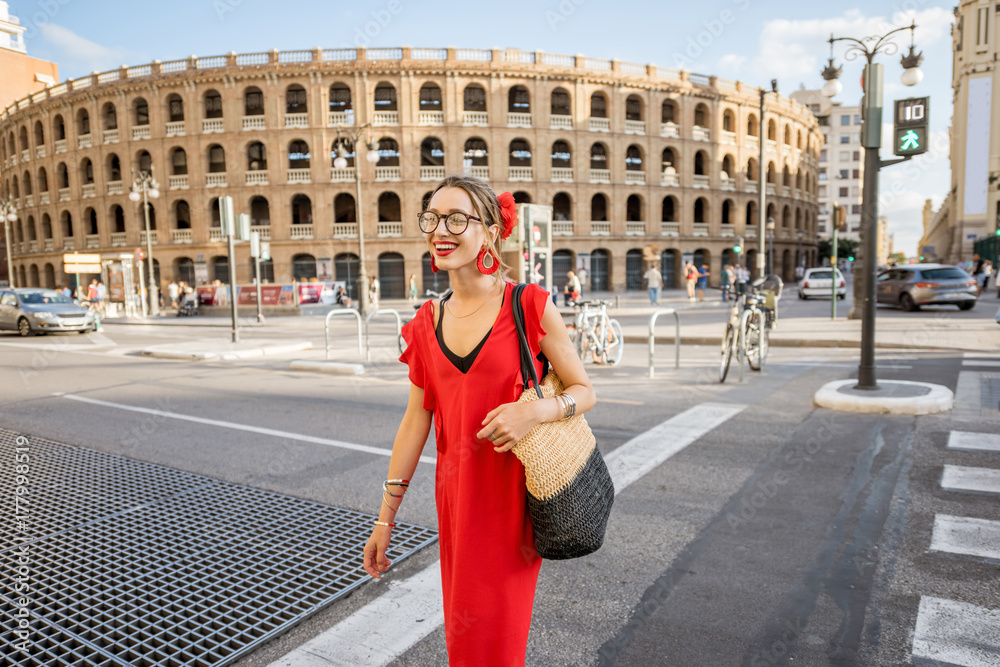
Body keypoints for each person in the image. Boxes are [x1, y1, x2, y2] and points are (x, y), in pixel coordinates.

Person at [363, 175, 596, 663]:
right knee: (465, 643)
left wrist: (534, 410)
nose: (440, 230)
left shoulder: (529, 305)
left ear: (490, 231)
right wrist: (385, 518)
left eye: (456, 218)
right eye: (432, 218)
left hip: (512, 506)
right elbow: (414, 423)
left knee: (499, 643)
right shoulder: (424, 324)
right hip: (457, 503)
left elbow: (584, 391)